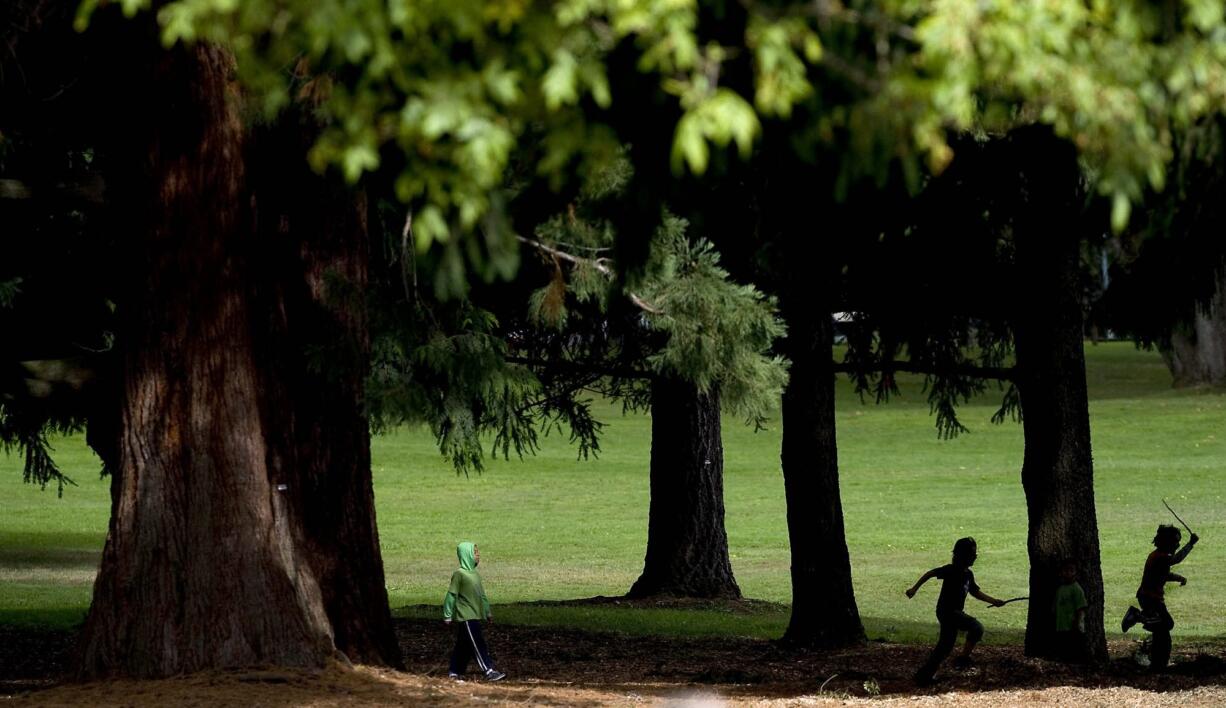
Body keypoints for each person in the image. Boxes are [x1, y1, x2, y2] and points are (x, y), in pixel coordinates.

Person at [906, 537, 1006, 685]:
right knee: (976, 628)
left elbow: (975, 592)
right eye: (972, 554)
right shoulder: (951, 570)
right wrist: (914, 588)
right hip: (948, 612)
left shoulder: (968, 574)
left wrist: (994, 601)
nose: (975, 556)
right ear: (962, 555)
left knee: (945, 646)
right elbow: (930, 573)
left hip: (953, 612)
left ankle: (924, 676)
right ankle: (962, 660)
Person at [1121, 524, 1198, 671]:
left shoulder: (1157, 556)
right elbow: (1176, 560)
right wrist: (1190, 544)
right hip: (1150, 598)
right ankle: (1136, 615)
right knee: (1167, 623)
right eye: (1175, 542)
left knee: (1160, 629)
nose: (1177, 545)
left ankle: (1158, 662)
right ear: (1165, 542)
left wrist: (1178, 578)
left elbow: (1163, 574)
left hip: (1150, 597)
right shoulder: (1161, 557)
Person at [443, 541, 506, 681]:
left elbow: (482, 595)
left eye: (478, 553)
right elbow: (451, 594)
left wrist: (487, 612)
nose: (478, 555)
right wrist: (447, 614)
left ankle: (454, 671)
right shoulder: (459, 574)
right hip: (466, 617)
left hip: (475, 615)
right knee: (478, 642)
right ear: (467, 555)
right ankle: (488, 670)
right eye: (475, 552)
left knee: (463, 645)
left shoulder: (476, 574)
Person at [1053, 559, 1088, 663]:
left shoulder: (1076, 589)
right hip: (1061, 625)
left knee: (1074, 649)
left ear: (1075, 572)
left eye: (1071, 570)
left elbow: (1081, 608)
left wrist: (1077, 623)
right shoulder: (1060, 589)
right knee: (1063, 648)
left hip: (1072, 626)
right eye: (1065, 570)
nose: (1068, 573)